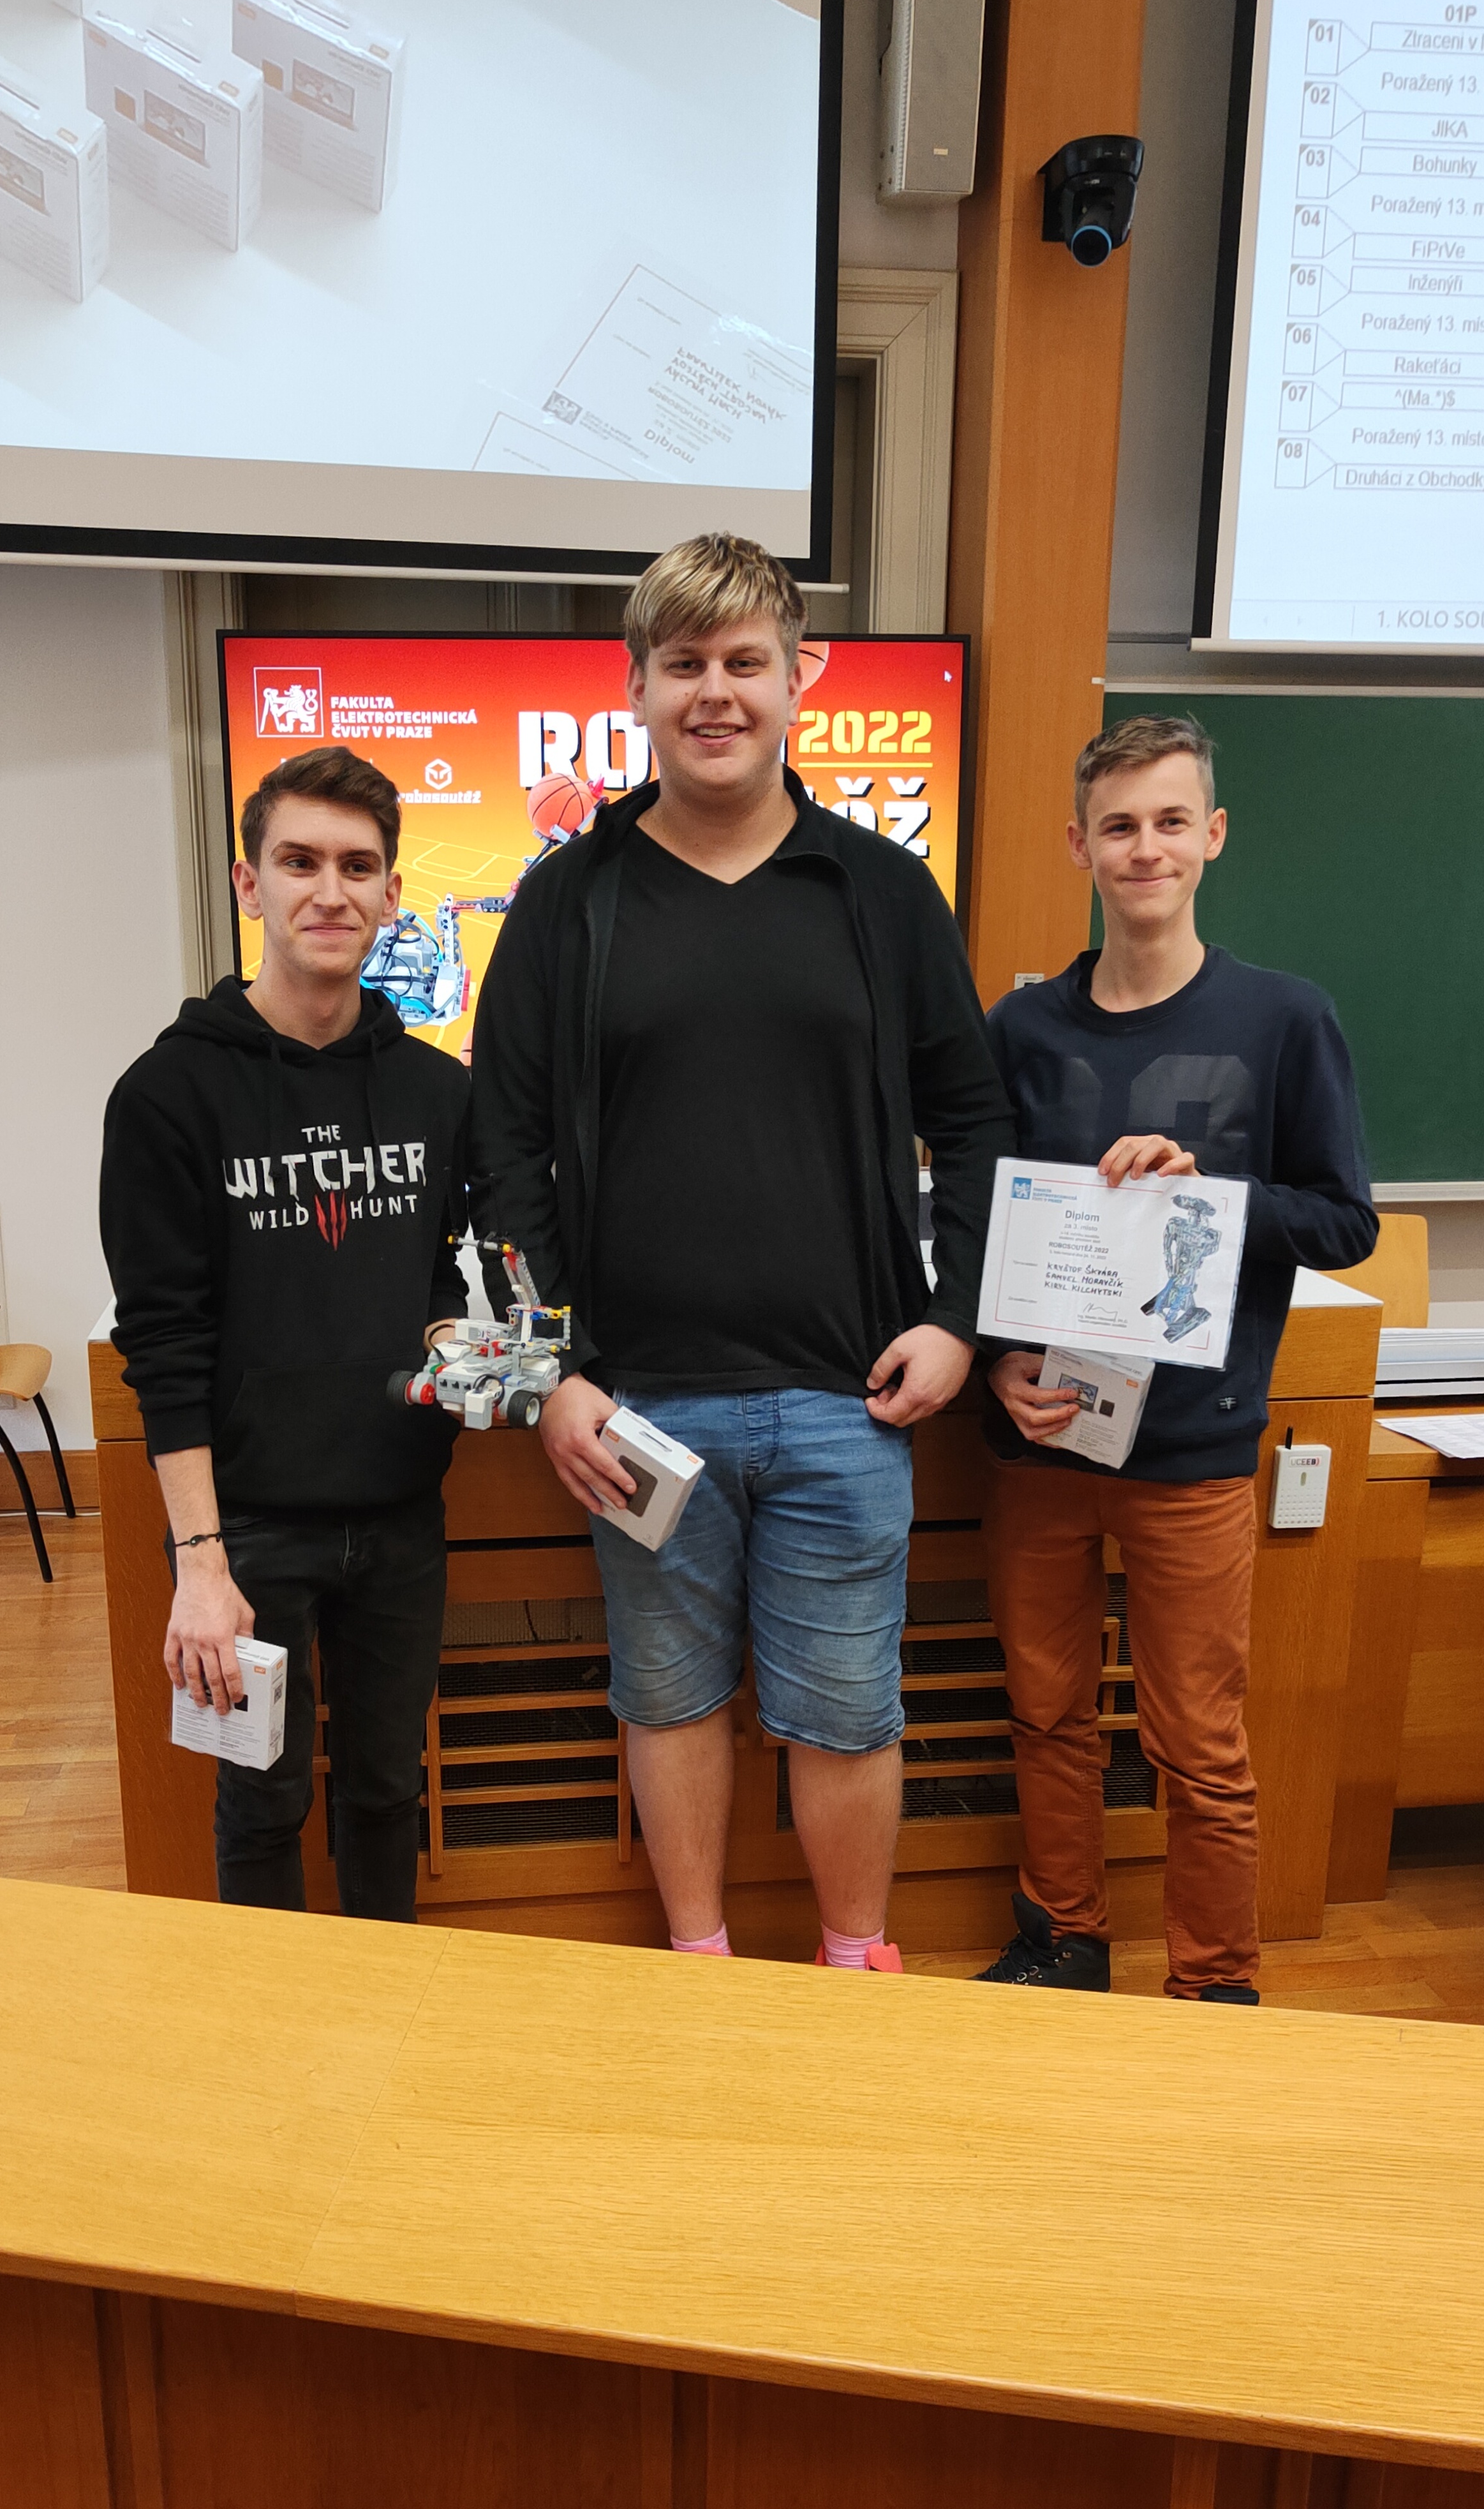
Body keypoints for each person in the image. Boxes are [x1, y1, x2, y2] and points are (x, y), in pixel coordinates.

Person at [469, 533, 1014, 1970]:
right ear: (636, 688)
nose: (716, 692)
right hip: (638, 1406)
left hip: (851, 1399)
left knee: (848, 1709)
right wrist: (549, 1373)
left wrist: (958, 1316)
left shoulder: (881, 893)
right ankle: (698, 1969)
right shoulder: (569, 901)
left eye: (745, 661)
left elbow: (976, 1121)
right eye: (685, 664)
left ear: (799, 676)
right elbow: (504, 1150)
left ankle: (853, 1964)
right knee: (668, 1699)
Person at [977, 715, 1376, 2002]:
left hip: (1194, 1447)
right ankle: (1065, 1939)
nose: (1143, 848)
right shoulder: (1021, 1028)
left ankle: (1214, 1983)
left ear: (1212, 834)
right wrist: (993, 1364)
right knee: (1045, 1710)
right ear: (1078, 845)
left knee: (1199, 1742)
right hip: (1043, 1436)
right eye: (1118, 825)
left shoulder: (1284, 1019)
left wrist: (1211, 1196)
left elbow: (1346, 1221)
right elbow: (977, 1221)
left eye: (1168, 821)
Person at [100, 744, 471, 1921]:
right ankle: (261, 2023)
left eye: (358, 867)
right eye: (299, 861)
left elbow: (443, 1276)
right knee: (258, 1808)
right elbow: (164, 1345)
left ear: (392, 895)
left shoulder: (438, 1093)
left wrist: (461, 1342)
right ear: (248, 885)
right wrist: (200, 1566)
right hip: (247, 1533)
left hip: (401, 1516)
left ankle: (384, 2007)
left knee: (386, 1794)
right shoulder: (167, 1095)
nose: (331, 890)